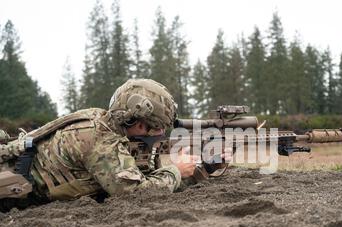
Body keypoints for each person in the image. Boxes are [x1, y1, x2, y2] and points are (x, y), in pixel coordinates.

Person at [0, 79, 207, 211]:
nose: (161, 134)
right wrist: (176, 170)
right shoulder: (101, 143)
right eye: (157, 128)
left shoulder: (104, 122)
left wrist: (206, 166)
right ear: (140, 123)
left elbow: (144, 177)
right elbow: (137, 194)